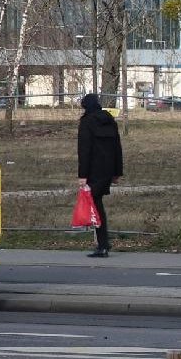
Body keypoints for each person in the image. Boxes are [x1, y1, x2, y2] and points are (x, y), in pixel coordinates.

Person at [76, 93, 123, 257]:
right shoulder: (110, 120)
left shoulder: (86, 122)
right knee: (97, 204)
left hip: (93, 171)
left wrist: (82, 175)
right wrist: (117, 172)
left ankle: (103, 245)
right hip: (108, 169)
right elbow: (117, 147)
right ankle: (103, 243)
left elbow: (84, 150)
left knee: (95, 206)